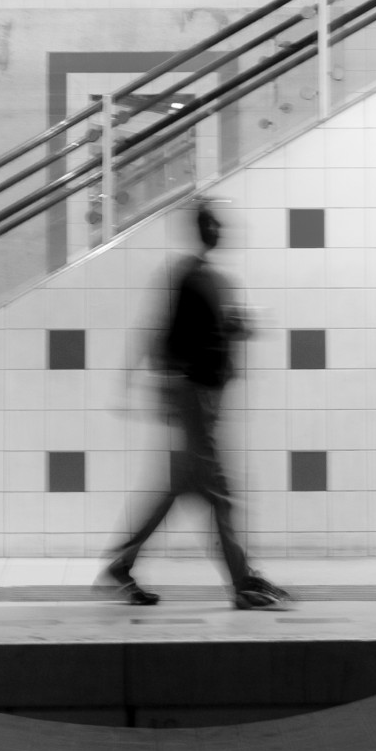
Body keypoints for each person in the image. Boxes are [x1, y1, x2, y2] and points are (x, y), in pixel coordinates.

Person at [100, 201, 291, 610]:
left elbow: (203, 333)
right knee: (220, 493)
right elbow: (161, 333)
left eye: (219, 224)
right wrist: (135, 382)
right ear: (202, 229)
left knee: (180, 486)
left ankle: (121, 564)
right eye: (212, 224)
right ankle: (242, 582)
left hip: (204, 397)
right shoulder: (189, 277)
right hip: (194, 398)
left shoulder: (209, 279)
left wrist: (236, 327)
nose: (218, 230)